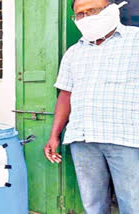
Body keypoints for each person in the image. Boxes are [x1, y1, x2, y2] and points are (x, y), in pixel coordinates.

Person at [44, 0, 139, 213]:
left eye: (93, 10)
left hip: (127, 138)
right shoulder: (73, 52)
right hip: (83, 139)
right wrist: (54, 135)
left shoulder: (136, 40)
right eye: (80, 14)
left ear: (112, 10)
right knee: (93, 206)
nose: (87, 18)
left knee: (134, 205)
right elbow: (65, 95)